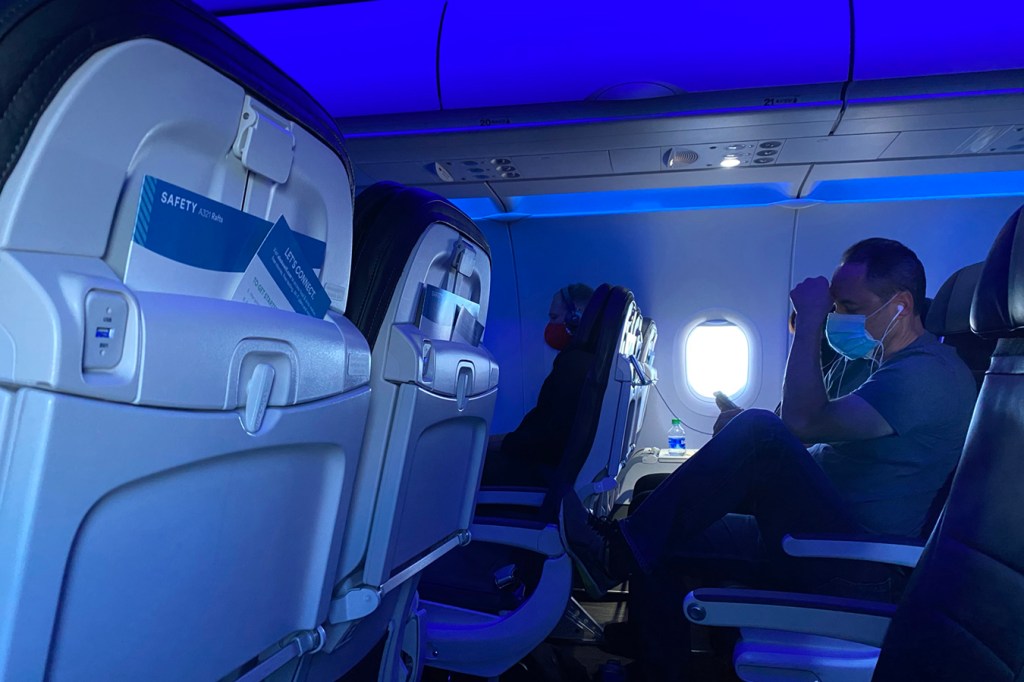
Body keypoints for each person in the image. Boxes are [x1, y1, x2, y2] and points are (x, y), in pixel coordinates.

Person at [561, 239, 977, 679]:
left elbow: (801, 421)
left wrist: (810, 323)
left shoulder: (927, 375)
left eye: (848, 306)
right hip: (821, 535)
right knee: (654, 510)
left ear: (901, 305)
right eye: (834, 307)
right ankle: (658, 664)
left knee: (758, 433)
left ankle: (612, 556)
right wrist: (742, 430)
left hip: (856, 562)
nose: (838, 316)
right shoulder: (876, 363)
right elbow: (813, 435)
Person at [481, 283, 595, 486]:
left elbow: (549, 441)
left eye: (554, 318)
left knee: (466, 465)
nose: (549, 326)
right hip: (539, 458)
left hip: (541, 467)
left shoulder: (574, 365)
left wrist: (498, 443)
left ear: (575, 317)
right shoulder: (578, 359)